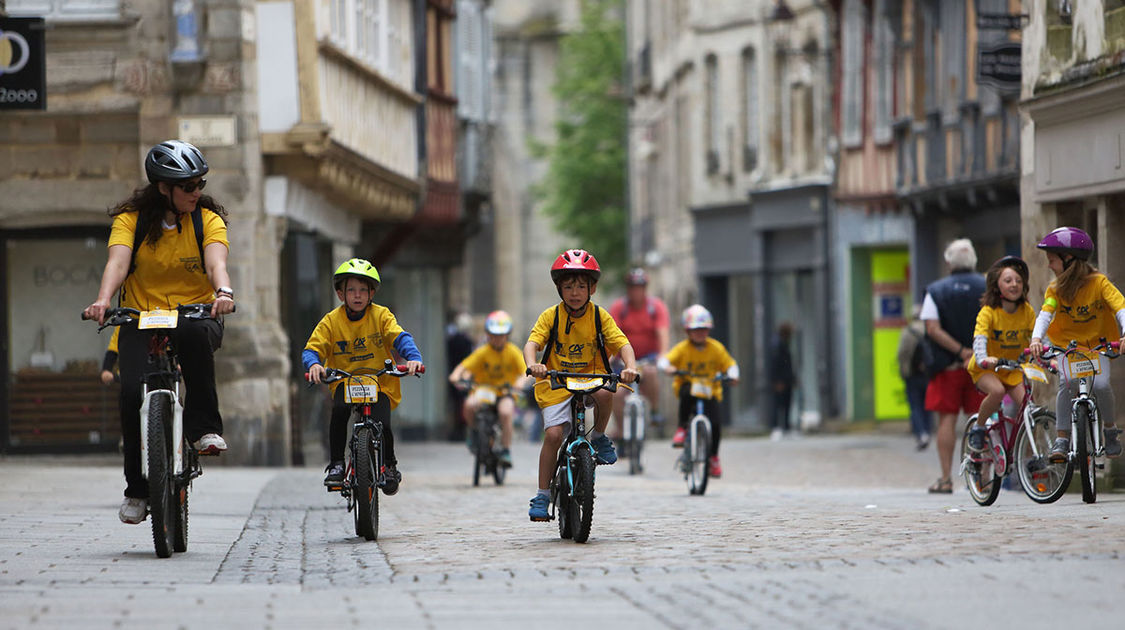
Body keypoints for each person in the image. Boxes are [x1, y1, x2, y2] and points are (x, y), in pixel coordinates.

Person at [83, 139, 236, 525]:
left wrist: (224, 293)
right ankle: (136, 490)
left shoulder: (206, 220)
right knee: (131, 392)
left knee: (197, 337)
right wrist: (103, 301)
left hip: (195, 312)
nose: (196, 192)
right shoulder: (130, 221)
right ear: (163, 188)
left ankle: (204, 431)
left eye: (200, 183)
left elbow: (217, 263)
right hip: (141, 315)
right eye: (188, 186)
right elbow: (117, 265)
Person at [524, 249, 639, 521]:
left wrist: (631, 367)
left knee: (606, 392)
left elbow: (622, 344)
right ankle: (542, 494)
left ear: (592, 288)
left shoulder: (601, 317)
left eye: (580, 286)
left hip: (592, 376)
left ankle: (598, 436)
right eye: (568, 286)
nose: (574, 292)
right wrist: (533, 364)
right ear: (559, 289)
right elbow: (532, 344)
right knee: (553, 436)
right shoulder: (550, 317)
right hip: (556, 382)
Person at [304, 258, 424, 493]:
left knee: (383, 424)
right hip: (344, 380)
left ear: (371, 294)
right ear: (341, 294)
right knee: (338, 412)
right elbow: (312, 349)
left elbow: (400, 337)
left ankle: (389, 465)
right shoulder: (331, 321)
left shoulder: (381, 316)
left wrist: (414, 358)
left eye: (363, 290)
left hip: (379, 383)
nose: (357, 296)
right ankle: (337, 464)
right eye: (351, 290)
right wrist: (314, 365)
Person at [1028, 227, 1125, 461]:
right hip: (1068, 347)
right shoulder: (1055, 288)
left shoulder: (1099, 283)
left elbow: (1120, 306)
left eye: (1052, 261)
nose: (1049, 266)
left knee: (1101, 386)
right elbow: (1045, 313)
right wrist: (1036, 339)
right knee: (1066, 385)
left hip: (1097, 346)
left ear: (1069, 259)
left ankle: (1110, 431)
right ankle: (1062, 438)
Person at [921, 238, 986, 494]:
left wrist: (959, 351)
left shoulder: (935, 290)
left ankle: (946, 477)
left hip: (947, 366)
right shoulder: (986, 287)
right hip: (981, 365)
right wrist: (973, 351)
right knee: (982, 419)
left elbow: (932, 329)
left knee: (946, 420)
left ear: (948, 262)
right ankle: (982, 477)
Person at [659, 304, 739, 477]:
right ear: (688, 331)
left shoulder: (716, 348)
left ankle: (714, 458)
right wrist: (669, 368)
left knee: (716, 424)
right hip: (689, 386)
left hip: (710, 391)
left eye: (703, 329)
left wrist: (732, 375)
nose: (700, 333)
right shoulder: (682, 348)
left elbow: (730, 363)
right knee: (687, 394)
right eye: (695, 329)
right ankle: (681, 428)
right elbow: (666, 361)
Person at [964, 256, 1035, 452]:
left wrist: (1048, 356)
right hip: (987, 369)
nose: (1014, 285)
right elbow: (980, 338)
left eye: (1019, 281)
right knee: (997, 392)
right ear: (997, 286)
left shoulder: (1026, 311)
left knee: (1029, 407)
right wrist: (983, 358)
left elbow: (1037, 338)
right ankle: (978, 427)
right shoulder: (988, 312)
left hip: (1012, 370)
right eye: (1008, 281)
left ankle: (1026, 451)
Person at [448, 310, 528, 467]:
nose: (497, 339)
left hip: (505, 392)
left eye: (501, 335)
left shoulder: (513, 352)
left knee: (506, 412)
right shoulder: (482, 352)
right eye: (493, 335)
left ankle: (505, 450)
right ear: (488, 334)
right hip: (484, 391)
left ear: (507, 335)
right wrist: (456, 376)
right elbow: (464, 366)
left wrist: (520, 383)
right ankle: (473, 432)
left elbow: (525, 371)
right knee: (469, 405)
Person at [610, 268, 670, 435]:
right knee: (617, 394)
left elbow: (662, 332)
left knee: (650, 372)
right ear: (628, 289)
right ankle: (622, 430)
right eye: (632, 287)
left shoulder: (655, 307)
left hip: (647, 358)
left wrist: (663, 354)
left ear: (645, 289)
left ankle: (655, 411)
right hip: (622, 360)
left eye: (640, 287)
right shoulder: (619, 308)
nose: (636, 291)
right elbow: (610, 335)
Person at [896, 305, 932, 450]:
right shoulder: (930, 330)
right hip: (928, 374)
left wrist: (903, 369)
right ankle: (928, 431)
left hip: (912, 375)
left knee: (915, 405)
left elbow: (901, 353)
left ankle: (921, 433)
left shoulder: (908, 332)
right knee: (927, 405)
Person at [446, 312, 474, 441]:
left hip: (454, 373)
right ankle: (461, 432)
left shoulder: (451, 340)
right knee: (462, 404)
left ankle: (456, 431)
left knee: (457, 405)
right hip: (462, 375)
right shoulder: (467, 341)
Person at [769, 322, 796, 441]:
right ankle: (776, 428)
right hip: (781, 380)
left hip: (786, 379)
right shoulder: (778, 344)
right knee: (778, 404)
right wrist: (777, 380)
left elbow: (788, 364)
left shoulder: (783, 343)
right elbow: (776, 364)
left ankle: (786, 427)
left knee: (786, 404)